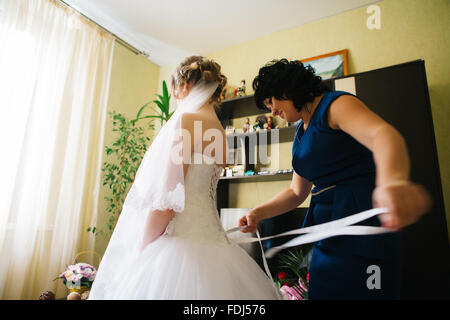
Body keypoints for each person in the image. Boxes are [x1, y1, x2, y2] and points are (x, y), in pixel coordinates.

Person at [88, 56, 281, 300]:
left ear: (186, 85)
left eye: (177, 90)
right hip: (215, 245)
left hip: (178, 247)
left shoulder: (187, 121)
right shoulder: (220, 132)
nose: (177, 97)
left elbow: (169, 201)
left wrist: (142, 249)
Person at [239, 59, 431, 300]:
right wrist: (258, 213)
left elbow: (382, 135)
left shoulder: (335, 105)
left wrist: (392, 182)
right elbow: (297, 192)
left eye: (272, 102)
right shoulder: (301, 131)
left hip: (360, 218)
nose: (272, 112)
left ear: (286, 89)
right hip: (327, 228)